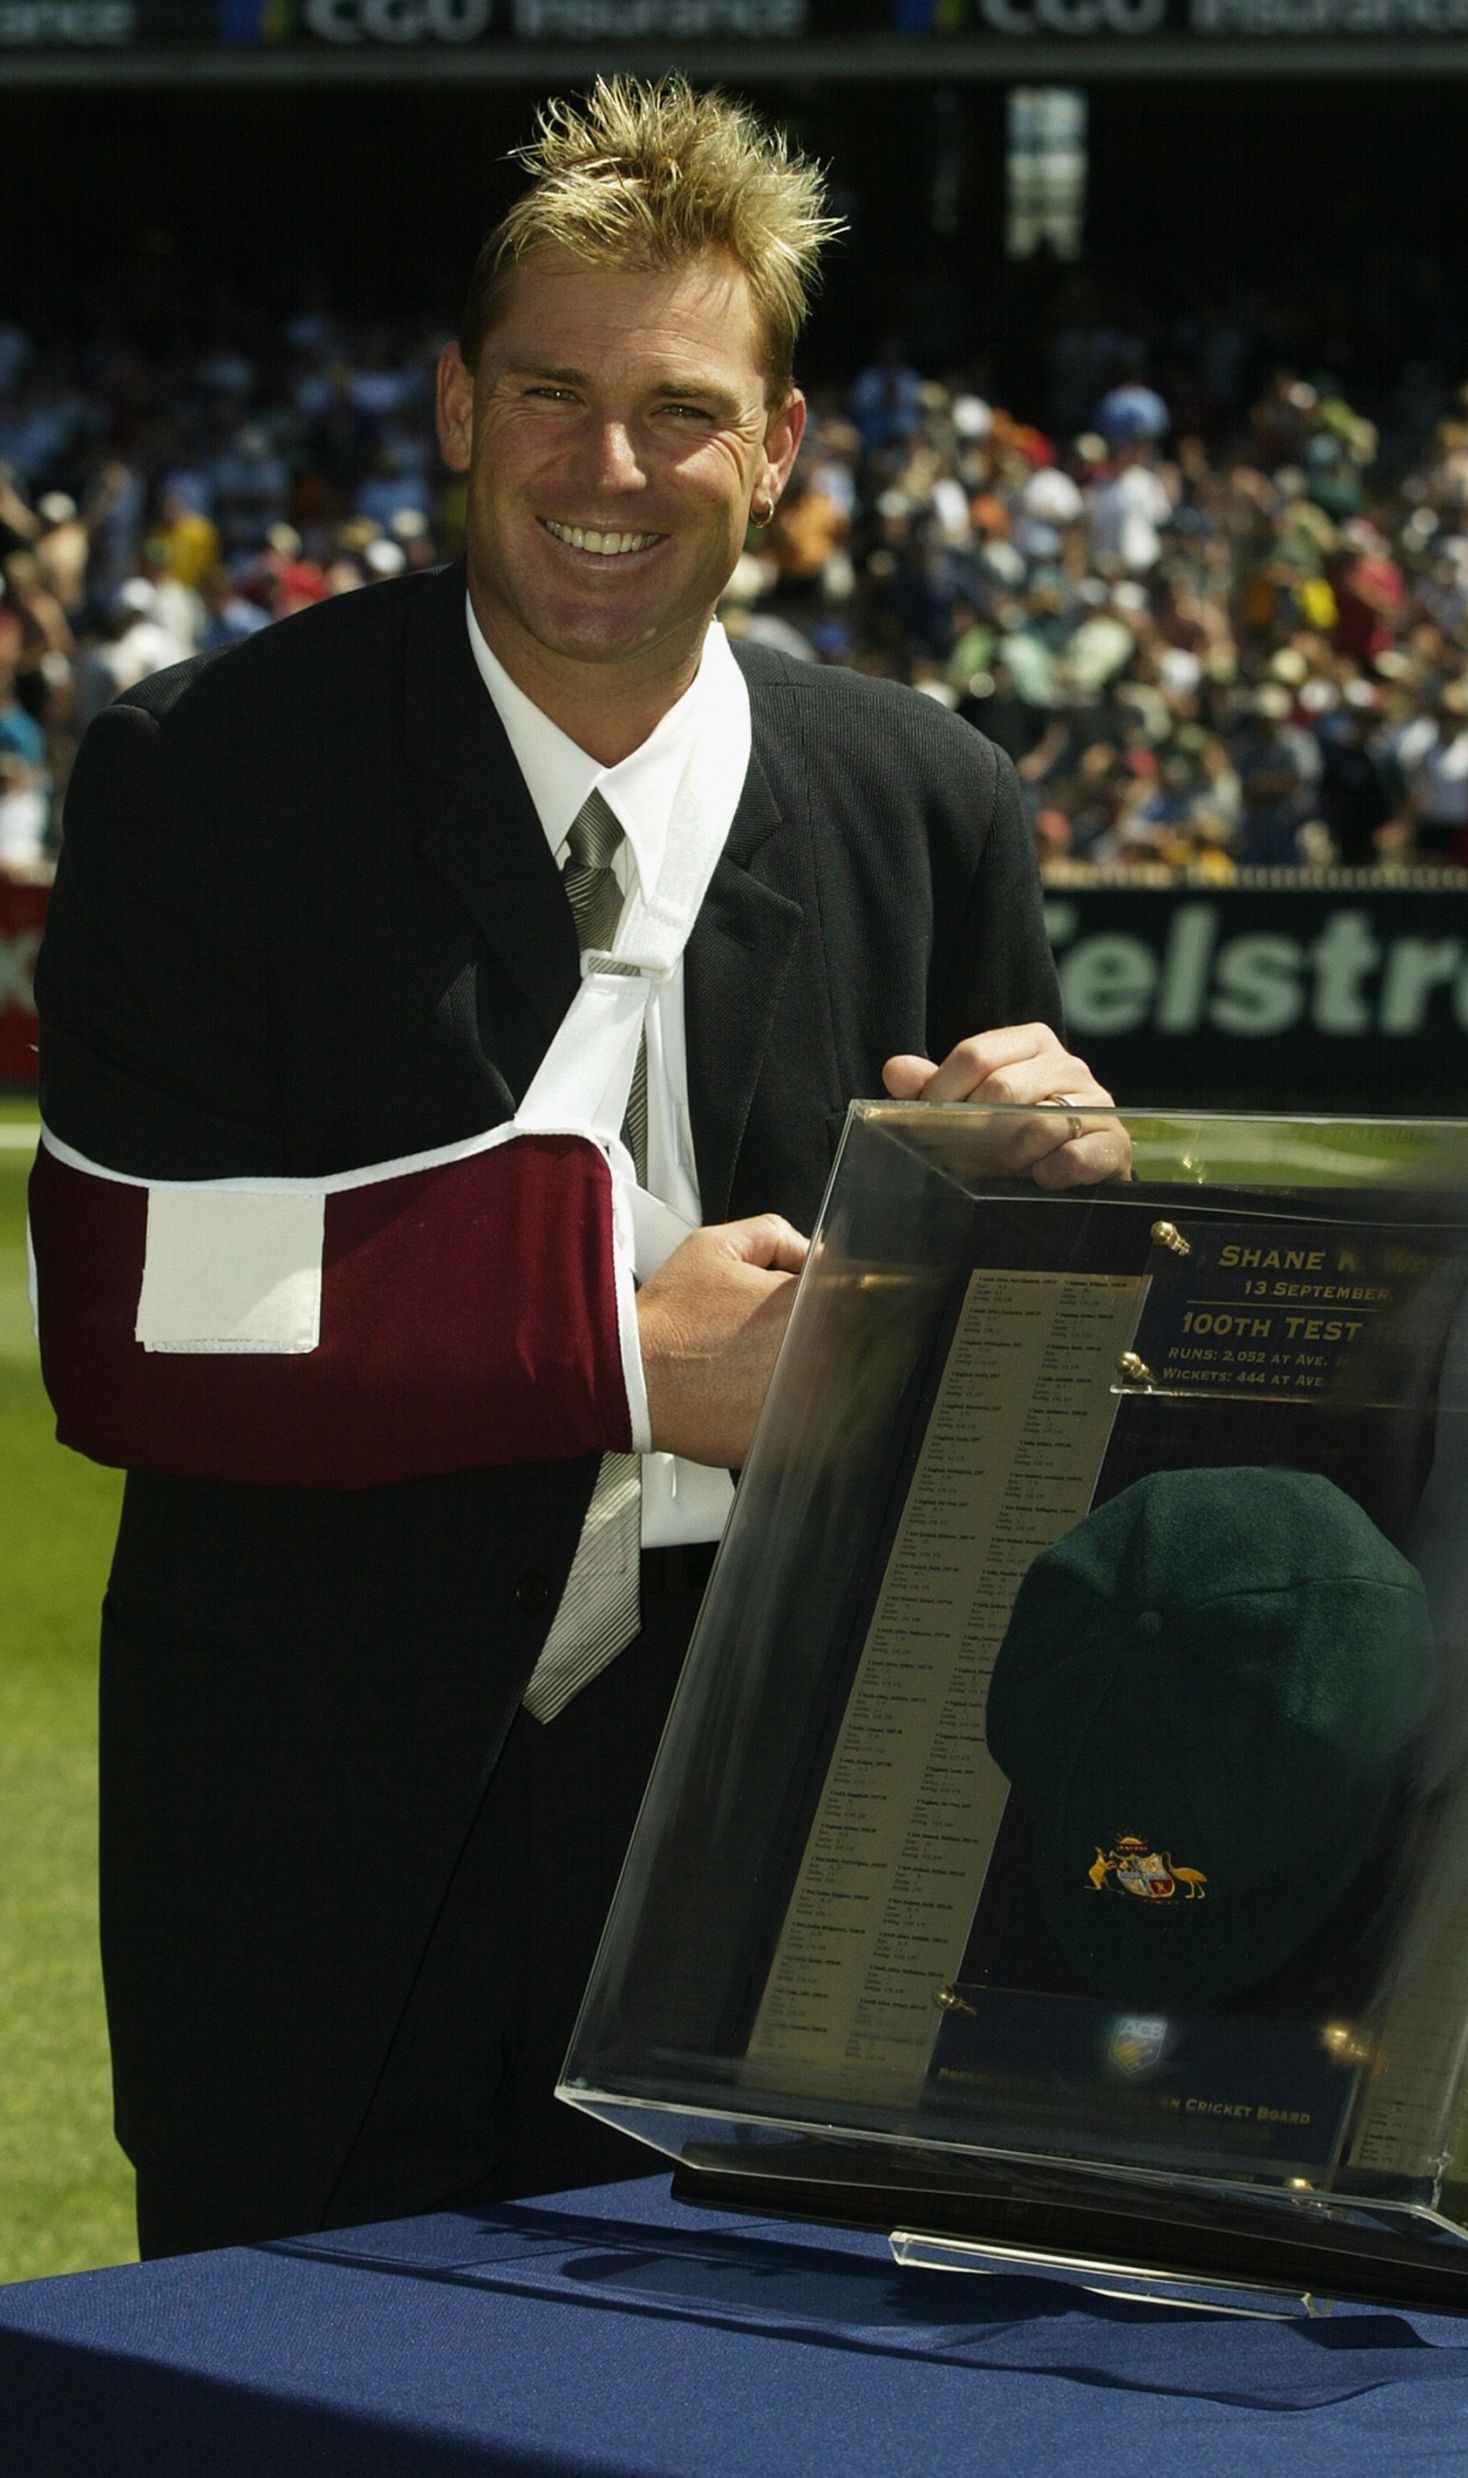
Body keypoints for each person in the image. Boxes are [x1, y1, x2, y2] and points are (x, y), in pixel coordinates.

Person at [31, 76, 1117, 2263]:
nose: (609, 469)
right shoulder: (205, 777)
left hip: (779, 1881)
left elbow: (999, 1438)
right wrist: (626, 1356)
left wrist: (1061, 1214)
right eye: (551, 391)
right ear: (455, 404)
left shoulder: (932, 805)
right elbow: (132, 1330)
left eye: (680, 410)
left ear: (781, 447)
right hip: (315, 1894)